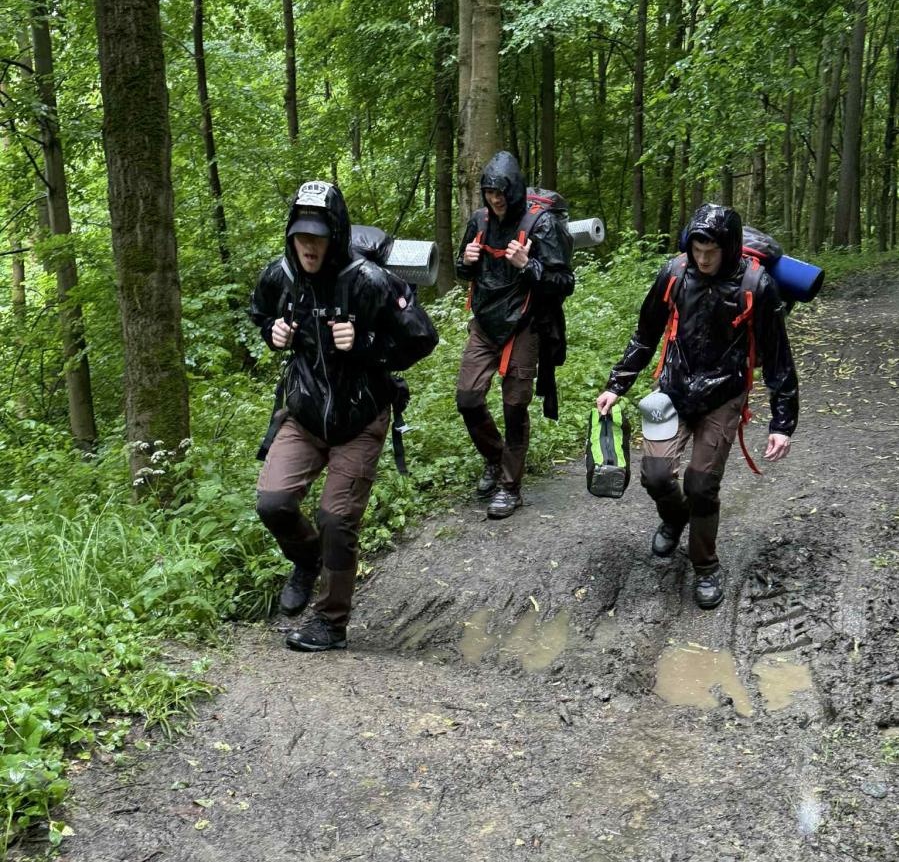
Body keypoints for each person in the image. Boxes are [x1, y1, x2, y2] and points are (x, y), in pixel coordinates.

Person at [250, 180, 438, 651]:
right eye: (300, 235)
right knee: (273, 504)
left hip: (360, 416)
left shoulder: (369, 281)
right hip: (303, 412)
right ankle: (307, 560)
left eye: (317, 235)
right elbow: (258, 314)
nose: (308, 245)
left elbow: (421, 339)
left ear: (335, 232)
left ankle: (331, 622)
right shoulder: (281, 275)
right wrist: (272, 332)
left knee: (336, 518)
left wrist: (368, 346)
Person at [595, 203, 798, 609]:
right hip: (672, 388)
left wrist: (782, 422)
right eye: (696, 251)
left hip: (724, 394)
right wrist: (617, 384)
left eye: (711, 252)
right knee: (654, 475)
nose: (702, 260)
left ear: (730, 248)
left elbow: (778, 358)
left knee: (702, 484)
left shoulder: (756, 286)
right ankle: (674, 518)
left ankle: (705, 565)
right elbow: (646, 334)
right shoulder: (673, 274)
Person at [455, 151, 575, 519]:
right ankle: (494, 458)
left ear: (515, 190)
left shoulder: (541, 225)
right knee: (468, 397)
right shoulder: (479, 221)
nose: (495, 199)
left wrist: (528, 266)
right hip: (486, 323)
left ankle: (510, 487)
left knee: (514, 405)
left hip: (525, 325)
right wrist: (466, 261)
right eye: (489, 192)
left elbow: (563, 283)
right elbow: (463, 271)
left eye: (501, 192)